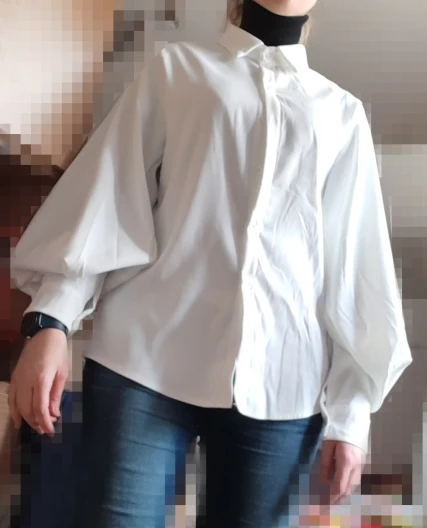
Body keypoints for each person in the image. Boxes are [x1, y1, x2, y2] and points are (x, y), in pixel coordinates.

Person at [9, 0, 412, 527]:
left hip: (283, 385)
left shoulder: (341, 114)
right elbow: (108, 195)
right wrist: (50, 321)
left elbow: (355, 270)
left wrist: (351, 416)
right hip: (143, 364)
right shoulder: (176, 70)